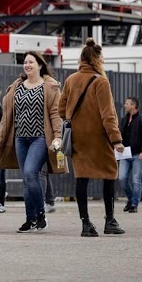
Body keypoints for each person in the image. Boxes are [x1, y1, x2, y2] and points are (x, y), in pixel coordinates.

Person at [0, 51, 64, 233]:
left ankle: (40, 214)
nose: (27, 65)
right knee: (26, 180)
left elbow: (55, 113)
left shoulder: (50, 86)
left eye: (31, 62)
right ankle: (30, 219)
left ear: (40, 65)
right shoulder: (17, 86)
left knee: (31, 173)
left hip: (40, 137)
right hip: (20, 138)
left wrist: (58, 136)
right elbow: (7, 115)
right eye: (25, 62)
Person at [57, 39, 125, 237]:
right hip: (99, 138)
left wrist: (76, 121)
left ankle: (86, 223)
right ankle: (109, 220)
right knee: (109, 176)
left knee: (82, 179)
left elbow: (61, 110)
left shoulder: (71, 80)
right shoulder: (101, 81)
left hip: (78, 138)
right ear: (97, 59)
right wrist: (116, 140)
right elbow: (108, 115)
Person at [118, 96, 142, 213]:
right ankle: (131, 199)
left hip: (137, 154)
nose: (125, 105)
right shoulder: (124, 120)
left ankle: (134, 204)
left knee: (136, 180)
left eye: (127, 103)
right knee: (122, 178)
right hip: (125, 154)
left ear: (133, 106)